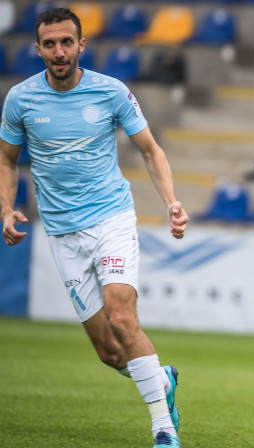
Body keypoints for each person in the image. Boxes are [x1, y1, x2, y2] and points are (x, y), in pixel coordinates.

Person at [0, 8, 188, 448]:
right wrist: (6, 208)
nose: (59, 51)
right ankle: (161, 378)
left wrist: (172, 203)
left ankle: (163, 427)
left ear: (82, 45)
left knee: (122, 314)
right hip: (62, 233)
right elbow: (7, 160)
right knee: (109, 352)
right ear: (38, 49)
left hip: (111, 219)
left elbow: (150, 150)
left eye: (67, 42)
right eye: (50, 44)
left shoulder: (111, 92)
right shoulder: (20, 99)